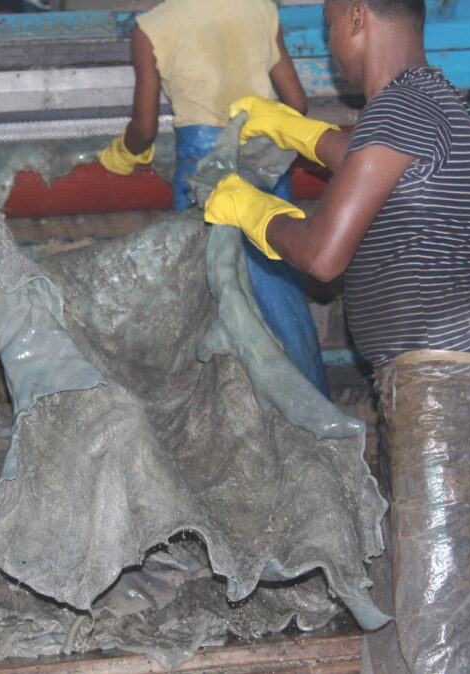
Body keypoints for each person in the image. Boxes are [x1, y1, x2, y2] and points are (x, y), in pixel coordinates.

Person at [204, 0, 470, 672]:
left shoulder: (404, 107)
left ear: (355, 18)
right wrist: (293, 129)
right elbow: (362, 163)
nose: (329, 49)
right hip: (433, 392)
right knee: (402, 612)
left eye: (326, 31)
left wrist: (255, 212)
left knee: (439, 631)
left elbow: (323, 254)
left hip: (447, 398)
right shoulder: (428, 102)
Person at [98, 0, 329, 395]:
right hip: (263, 164)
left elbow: (145, 126)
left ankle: (229, 416)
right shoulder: (259, 8)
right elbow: (297, 104)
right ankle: (307, 402)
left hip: (204, 174)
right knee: (278, 292)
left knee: (209, 297)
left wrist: (121, 154)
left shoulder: (152, 27)